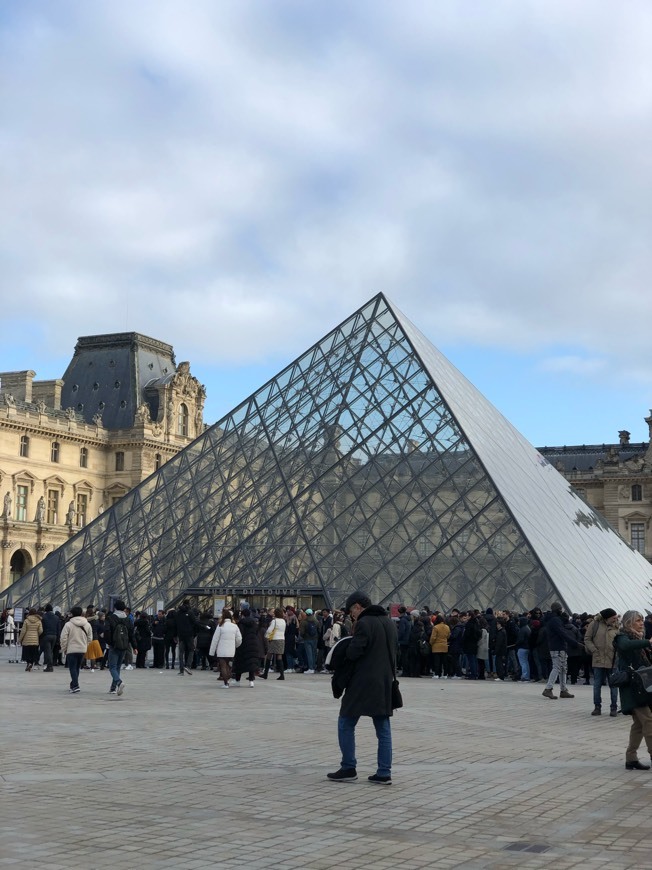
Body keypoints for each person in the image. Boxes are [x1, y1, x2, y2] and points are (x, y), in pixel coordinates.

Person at [327, 590, 398, 785]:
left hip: (362, 683)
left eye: (352, 612)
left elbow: (354, 652)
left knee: (345, 723)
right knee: (383, 728)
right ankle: (384, 772)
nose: (352, 616)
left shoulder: (364, 623)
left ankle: (348, 767)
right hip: (384, 682)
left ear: (358, 607)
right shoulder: (389, 623)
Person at [615, 610, 652, 770]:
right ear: (629, 622)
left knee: (638, 724)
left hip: (641, 687)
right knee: (649, 721)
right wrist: (647, 643)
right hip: (632, 687)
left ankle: (631, 758)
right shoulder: (622, 637)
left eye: (642, 620)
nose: (641, 622)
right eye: (638, 620)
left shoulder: (639, 638)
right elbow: (625, 645)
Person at [584, 608, 620, 717]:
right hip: (598, 659)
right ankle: (597, 707)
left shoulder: (617, 626)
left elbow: (621, 640)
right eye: (613, 617)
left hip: (613, 659)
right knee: (597, 685)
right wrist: (594, 650)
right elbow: (587, 639)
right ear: (606, 617)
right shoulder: (594, 625)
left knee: (614, 685)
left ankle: (613, 707)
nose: (615, 619)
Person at [541, 602, 582, 700]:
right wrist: (575, 643)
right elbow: (562, 633)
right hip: (558, 647)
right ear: (558, 609)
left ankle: (563, 690)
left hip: (558, 647)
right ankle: (548, 688)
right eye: (561, 609)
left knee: (563, 668)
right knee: (557, 668)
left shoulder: (552, 619)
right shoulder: (555, 620)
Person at [106, 599, 137, 696]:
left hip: (114, 645)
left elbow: (107, 632)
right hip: (124, 645)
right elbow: (132, 634)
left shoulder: (111, 618)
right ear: (124, 608)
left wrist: (110, 643)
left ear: (115, 607)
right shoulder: (128, 619)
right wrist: (134, 646)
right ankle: (113, 688)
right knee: (118, 666)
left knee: (112, 667)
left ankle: (119, 682)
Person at [59, 606, 92, 694]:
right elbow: (90, 638)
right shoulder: (87, 624)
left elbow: (63, 638)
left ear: (72, 614)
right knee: (77, 668)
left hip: (71, 649)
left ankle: (76, 685)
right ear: (81, 613)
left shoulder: (68, 624)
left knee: (72, 668)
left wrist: (64, 648)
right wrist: (86, 645)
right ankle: (73, 684)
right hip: (82, 649)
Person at [209, 609, 242, 687]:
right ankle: (229, 676)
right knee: (229, 665)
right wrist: (236, 645)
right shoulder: (235, 626)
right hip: (231, 649)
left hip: (221, 649)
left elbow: (215, 639)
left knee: (223, 666)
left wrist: (212, 651)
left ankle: (225, 683)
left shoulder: (220, 626)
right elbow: (239, 639)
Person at [231, 607, 262, 687]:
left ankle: (237, 680)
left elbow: (240, 635)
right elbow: (256, 632)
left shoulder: (241, 623)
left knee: (239, 662)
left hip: (244, 644)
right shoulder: (254, 623)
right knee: (251, 662)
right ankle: (251, 681)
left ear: (243, 615)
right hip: (253, 644)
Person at [175, 600, 199, 676]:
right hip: (189, 635)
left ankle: (181, 670)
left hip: (181, 635)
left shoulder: (178, 613)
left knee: (181, 652)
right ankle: (188, 666)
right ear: (189, 604)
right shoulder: (190, 612)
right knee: (191, 650)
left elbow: (176, 625)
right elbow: (195, 623)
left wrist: (176, 635)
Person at [262, 608, 286, 680]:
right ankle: (282, 675)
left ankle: (265, 674)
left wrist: (266, 636)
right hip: (281, 639)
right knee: (279, 656)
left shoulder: (274, 621)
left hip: (274, 639)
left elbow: (269, 630)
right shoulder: (283, 621)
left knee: (269, 655)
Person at [40, 603, 59, 673]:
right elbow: (58, 629)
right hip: (54, 636)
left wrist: (41, 637)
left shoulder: (43, 617)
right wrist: (58, 638)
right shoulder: (56, 617)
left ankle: (50, 666)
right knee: (50, 651)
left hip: (46, 636)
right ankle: (49, 664)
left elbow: (42, 628)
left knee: (48, 651)